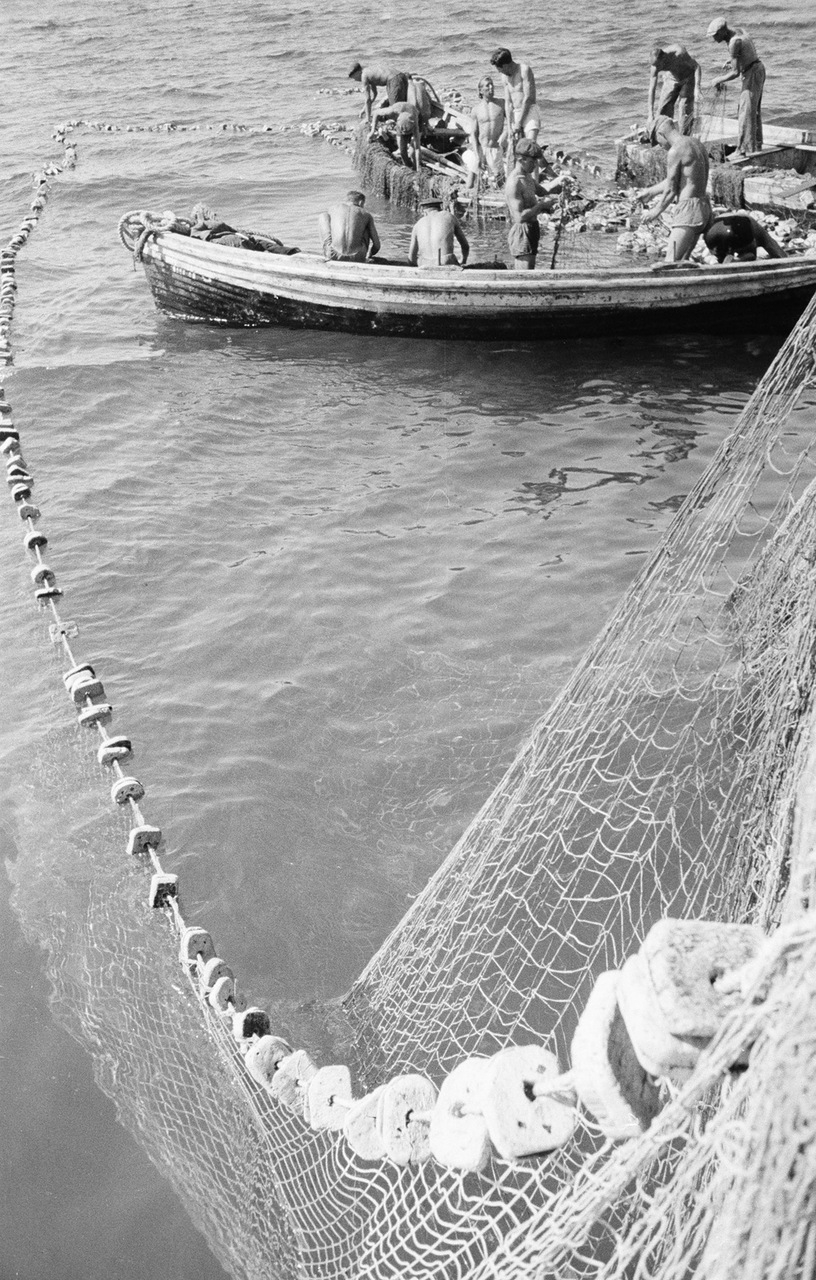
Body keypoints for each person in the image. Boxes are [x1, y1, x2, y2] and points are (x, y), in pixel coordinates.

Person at [635, 116, 712, 261]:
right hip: (704, 208)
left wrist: (654, 212)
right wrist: (651, 192)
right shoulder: (696, 143)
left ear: (661, 134)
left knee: (670, 263)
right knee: (683, 261)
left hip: (688, 213)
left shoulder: (675, 151)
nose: (661, 146)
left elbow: (671, 190)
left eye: (658, 142)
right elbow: (682, 179)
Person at [706, 17, 765, 155]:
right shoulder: (738, 31)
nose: (714, 40)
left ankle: (744, 149)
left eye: (715, 36)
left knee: (745, 112)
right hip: (758, 68)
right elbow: (748, 50)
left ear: (722, 32)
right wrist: (733, 60)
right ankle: (756, 145)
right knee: (752, 111)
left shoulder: (733, 43)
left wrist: (718, 79)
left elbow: (735, 72)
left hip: (752, 74)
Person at [504, 137, 559, 270]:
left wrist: (561, 180)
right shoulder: (515, 182)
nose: (535, 165)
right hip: (522, 232)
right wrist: (541, 205)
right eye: (532, 161)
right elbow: (519, 217)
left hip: (532, 227)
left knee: (530, 270)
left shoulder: (527, 176)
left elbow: (542, 190)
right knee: (524, 275)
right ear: (521, 159)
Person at [489, 48, 541, 147]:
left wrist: (519, 123)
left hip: (529, 111)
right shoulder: (504, 77)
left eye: (499, 69)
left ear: (505, 65)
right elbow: (508, 103)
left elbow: (528, 98)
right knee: (506, 144)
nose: (499, 72)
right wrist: (509, 126)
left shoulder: (524, 70)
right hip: (515, 114)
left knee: (529, 147)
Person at [463, 76, 508, 188]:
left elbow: (512, 122)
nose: (491, 87)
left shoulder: (501, 104)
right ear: (481, 90)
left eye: (492, 84)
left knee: (499, 184)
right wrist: (478, 155)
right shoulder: (476, 110)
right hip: (481, 149)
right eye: (487, 85)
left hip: (495, 148)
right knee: (470, 185)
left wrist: (504, 134)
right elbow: (473, 134)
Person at [647, 44, 701, 135]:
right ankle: (663, 136)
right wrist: (650, 114)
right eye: (655, 66)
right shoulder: (655, 66)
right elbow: (651, 89)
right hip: (671, 78)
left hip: (687, 78)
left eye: (659, 66)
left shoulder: (679, 53)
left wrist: (697, 88)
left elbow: (696, 66)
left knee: (684, 110)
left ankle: (685, 137)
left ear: (664, 58)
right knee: (662, 110)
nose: (657, 69)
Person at [317, 191, 381, 262]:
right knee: (366, 225)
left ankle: (326, 254)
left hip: (332, 254)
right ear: (361, 202)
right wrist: (370, 254)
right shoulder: (366, 214)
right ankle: (364, 257)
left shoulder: (333, 209)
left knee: (323, 216)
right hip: (358, 257)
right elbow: (377, 245)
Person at [408, 197, 469, 268]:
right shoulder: (449, 216)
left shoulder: (417, 225)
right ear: (440, 208)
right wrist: (463, 262)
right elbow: (465, 246)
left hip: (425, 264)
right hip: (446, 262)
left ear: (424, 211)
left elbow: (411, 258)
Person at [704, 211, 785, 262]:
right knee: (751, 255)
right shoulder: (759, 231)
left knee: (722, 259)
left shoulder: (730, 214)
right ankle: (736, 260)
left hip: (712, 232)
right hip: (739, 228)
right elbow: (774, 249)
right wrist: (784, 259)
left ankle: (723, 263)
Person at [369, 99, 422, 170]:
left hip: (415, 119)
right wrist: (372, 131)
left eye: (407, 132)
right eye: (404, 132)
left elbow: (417, 149)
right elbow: (376, 113)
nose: (405, 133)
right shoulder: (393, 110)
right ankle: (408, 166)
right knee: (402, 150)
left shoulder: (415, 125)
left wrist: (418, 168)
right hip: (401, 121)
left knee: (412, 152)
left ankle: (415, 167)